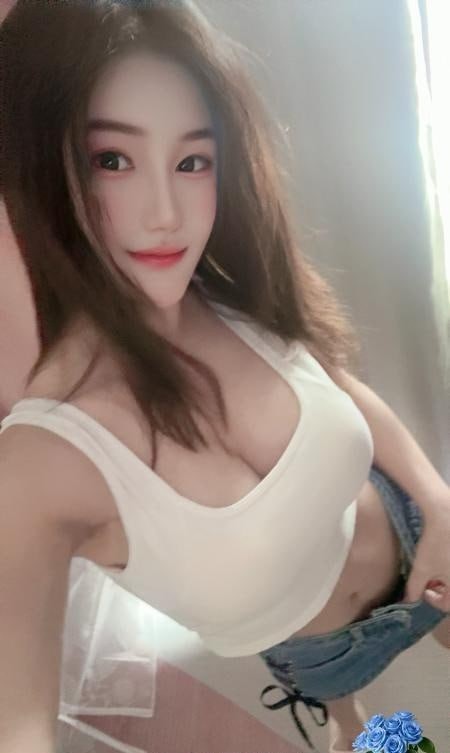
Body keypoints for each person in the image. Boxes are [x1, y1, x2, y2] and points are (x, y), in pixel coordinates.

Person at [0, 2, 449, 752]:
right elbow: (17, 723)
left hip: (414, 537)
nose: (166, 215)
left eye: (192, 161)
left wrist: (437, 501)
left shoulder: (224, 288)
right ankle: (353, 724)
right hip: (323, 657)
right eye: (112, 160)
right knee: (379, 737)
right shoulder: (43, 460)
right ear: (37, 169)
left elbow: (337, 385)